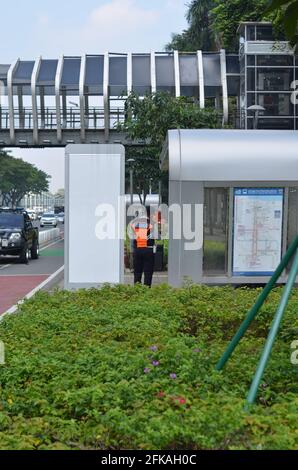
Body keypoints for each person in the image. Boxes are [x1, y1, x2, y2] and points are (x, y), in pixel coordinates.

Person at [131, 213, 156, 287]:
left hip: (137, 250)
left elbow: (133, 238)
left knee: (137, 271)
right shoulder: (151, 226)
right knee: (148, 272)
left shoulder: (134, 226)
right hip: (148, 250)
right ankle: (147, 289)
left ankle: (137, 288)